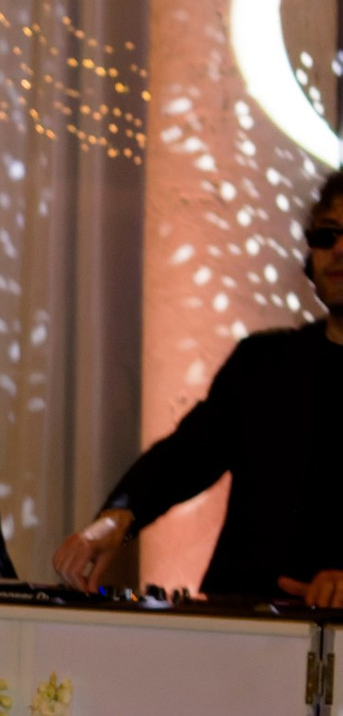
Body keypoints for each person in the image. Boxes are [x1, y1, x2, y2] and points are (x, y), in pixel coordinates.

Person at [55, 164, 343, 607]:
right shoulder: (264, 362)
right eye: (326, 235)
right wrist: (116, 520)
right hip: (238, 627)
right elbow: (184, 456)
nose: (338, 250)